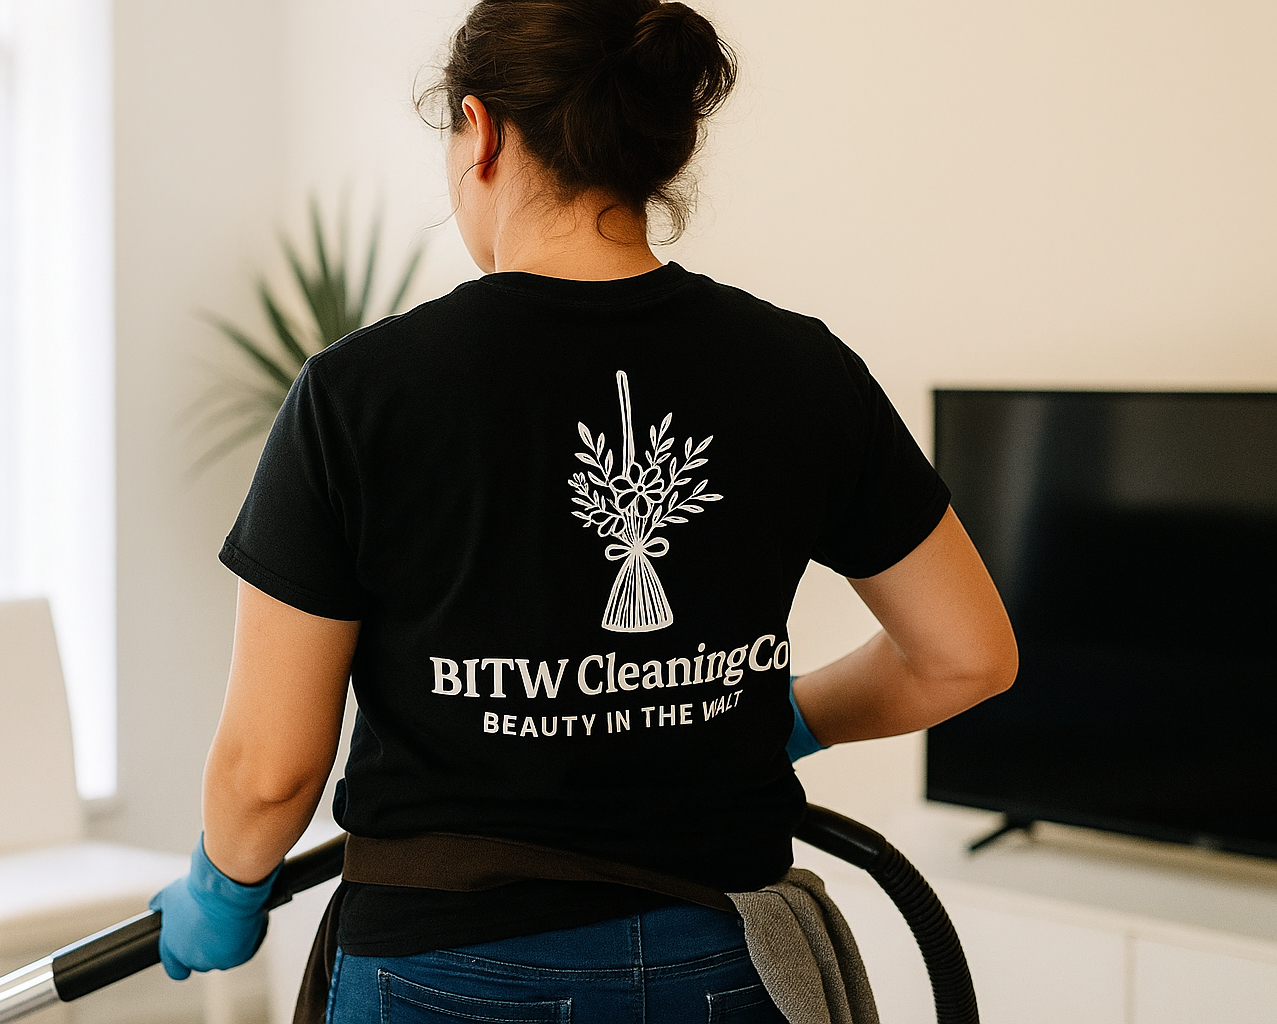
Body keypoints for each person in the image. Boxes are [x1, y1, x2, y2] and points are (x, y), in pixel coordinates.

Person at [150, 1, 1019, 1021]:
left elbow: (269, 770)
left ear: (481, 130)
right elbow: (967, 654)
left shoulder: (361, 394)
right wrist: (777, 716)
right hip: (726, 968)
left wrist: (222, 887)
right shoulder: (801, 371)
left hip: (444, 971)